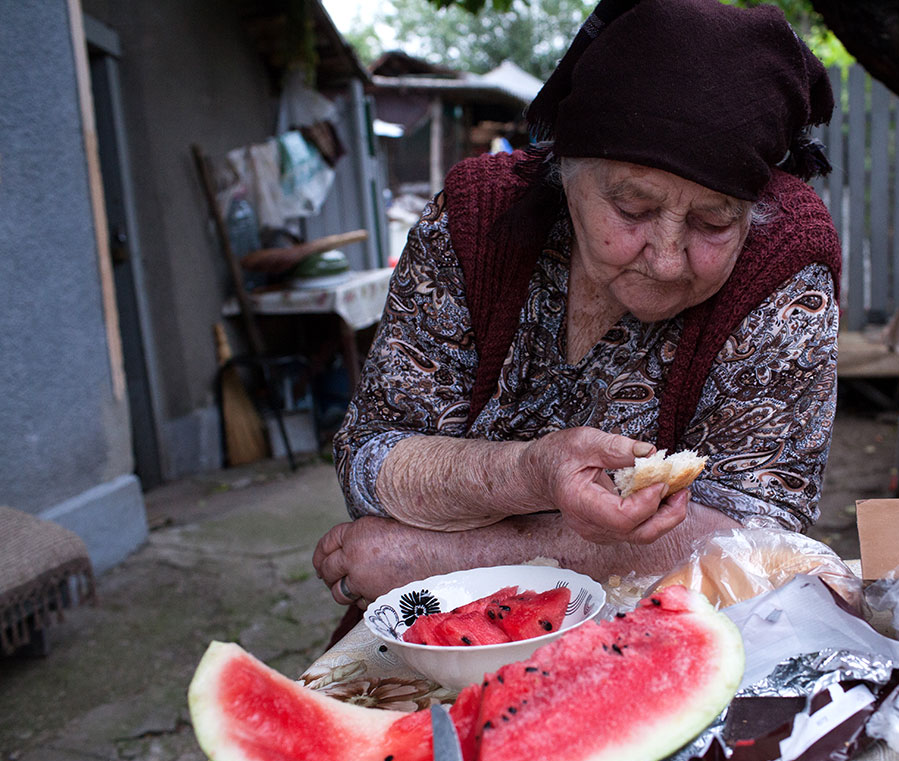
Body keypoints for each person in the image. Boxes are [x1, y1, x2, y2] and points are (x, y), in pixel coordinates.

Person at [313, 0, 843, 639]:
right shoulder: (473, 224)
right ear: (565, 173)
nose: (670, 260)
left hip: (665, 638)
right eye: (632, 207)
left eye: (713, 221)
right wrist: (529, 471)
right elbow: (373, 462)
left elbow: (755, 543)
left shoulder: (784, 261)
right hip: (435, 629)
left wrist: (435, 556)